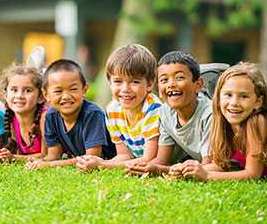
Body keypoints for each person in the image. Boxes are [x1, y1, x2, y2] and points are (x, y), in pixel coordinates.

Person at [170, 62, 267, 180]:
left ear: (258, 102)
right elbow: (220, 165)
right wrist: (187, 168)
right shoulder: (222, 124)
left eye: (244, 96)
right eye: (228, 95)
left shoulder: (256, 123)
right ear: (218, 98)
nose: (234, 102)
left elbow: (252, 174)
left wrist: (207, 176)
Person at [76, 44, 161, 172]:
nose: (125, 89)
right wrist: (100, 162)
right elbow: (124, 155)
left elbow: (149, 158)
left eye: (134, 82)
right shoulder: (113, 110)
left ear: (149, 84)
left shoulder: (153, 108)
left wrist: (103, 165)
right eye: (118, 81)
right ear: (109, 82)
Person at [126, 51, 212, 176]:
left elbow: (207, 166)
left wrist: (162, 170)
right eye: (164, 80)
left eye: (179, 78)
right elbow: (163, 160)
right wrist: (145, 167)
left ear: (198, 85)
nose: (171, 84)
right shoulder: (164, 112)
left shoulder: (209, 114)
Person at [26, 59, 115, 170]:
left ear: (84, 90)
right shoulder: (51, 116)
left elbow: (92, 158)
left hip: (109, 161)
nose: (66, 96)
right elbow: (54, 156)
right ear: (46, 94)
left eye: (73, 89)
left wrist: (48, 165)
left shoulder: (92, 114)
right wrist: (38, 163)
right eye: (58, 91)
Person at [0, 64, 47, 163]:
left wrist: (13, 158)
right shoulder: (13, 119)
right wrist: (2, 156)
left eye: (27, 90)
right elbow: (20, 153)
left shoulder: (45, 118)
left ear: (41, 97)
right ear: (5, 95)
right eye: (14, 90)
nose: (19, 95)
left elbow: (46, 155)